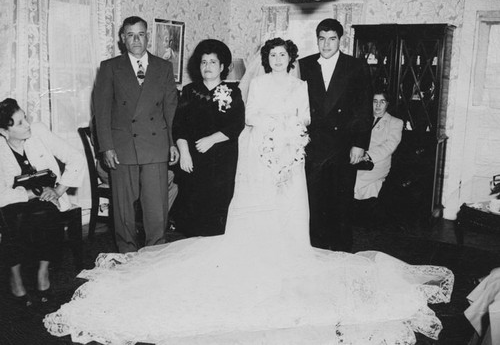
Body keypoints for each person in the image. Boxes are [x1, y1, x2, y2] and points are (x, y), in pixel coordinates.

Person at [44, 38, 453, 345]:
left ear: (290, 59)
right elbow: (251, 116)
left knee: (289, 206)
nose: (276, 60)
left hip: (290, 150)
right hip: (262, 150)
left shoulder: (298, 85)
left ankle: (291, 250)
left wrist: (291, 135)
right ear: (265, 59)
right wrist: (270, 134)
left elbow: (305, 117)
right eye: (271, 56)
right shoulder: (249, 87)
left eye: (281, 56)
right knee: (254, 206)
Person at [93, 16, 179, 253]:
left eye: (141, 34)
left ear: (147, 36)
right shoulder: (110, 67)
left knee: (156, 208)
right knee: (123, 211)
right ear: (123, 39)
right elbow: (101, 112)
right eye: (130, 35)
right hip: (122, 147)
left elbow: (170, 110)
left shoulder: (163, 67)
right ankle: (127, 255)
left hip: (155, 145)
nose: (136, 39)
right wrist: (106, 147)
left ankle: (155, 254)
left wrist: (173, 143)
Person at [0, 98, 85, 306]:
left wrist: (58, 190)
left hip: (48, 199)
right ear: (4, 131)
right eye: (19, 123)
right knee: (11, 215)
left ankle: (42, 272)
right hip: (15, 203)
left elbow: (77, 158)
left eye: (25, 119)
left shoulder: (38, 131)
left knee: (47, 212)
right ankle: (16, 277)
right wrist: (30, 193)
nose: (27, 124)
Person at [299, 18, 373, 252]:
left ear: (341, 40)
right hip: (313, 146)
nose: (326, 44)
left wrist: (359, 144)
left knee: (341, 202)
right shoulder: (304, 65)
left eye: (332, 39)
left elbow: (363, 108)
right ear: (317, 39)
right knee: (314, 200)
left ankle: (341, 252)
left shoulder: (356, 66)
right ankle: (316, 250)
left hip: (343, 145)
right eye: (322, 39)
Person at [172, 39, 244, 236]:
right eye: (204, 62)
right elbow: (179, 126)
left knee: (217, 208)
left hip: (222, 161)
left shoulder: (233, 92)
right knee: (191, 208)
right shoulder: (189, 91)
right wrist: (184, 152)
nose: (207, 66)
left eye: (213, 62)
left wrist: (212, 139)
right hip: (193, 160)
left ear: (222, 66)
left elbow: (236, 124)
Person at [353, 90, 403, 226]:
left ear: (387, 104)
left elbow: (390, 146)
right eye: (375, 101)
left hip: (378, 163)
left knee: (355, 180)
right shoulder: (363, 119)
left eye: (382, 102)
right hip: (359, 160)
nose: (378, 105)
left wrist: (368, 155)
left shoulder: (395, 122)